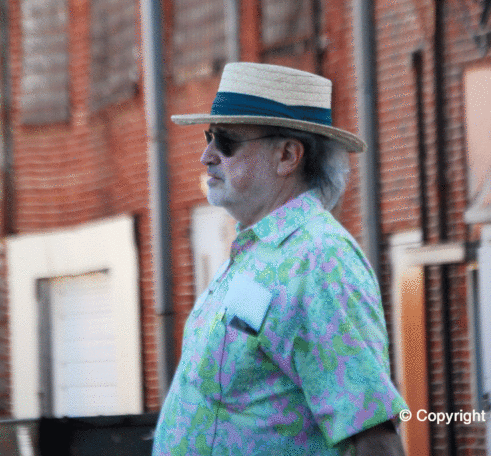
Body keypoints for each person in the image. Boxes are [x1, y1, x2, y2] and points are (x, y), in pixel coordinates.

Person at [152, 62, 408, 455]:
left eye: (226, 141)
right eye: (209, 137)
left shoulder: (320, 260)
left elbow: (373, 436)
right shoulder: (259, 251)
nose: (207, 155)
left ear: (287, 155)